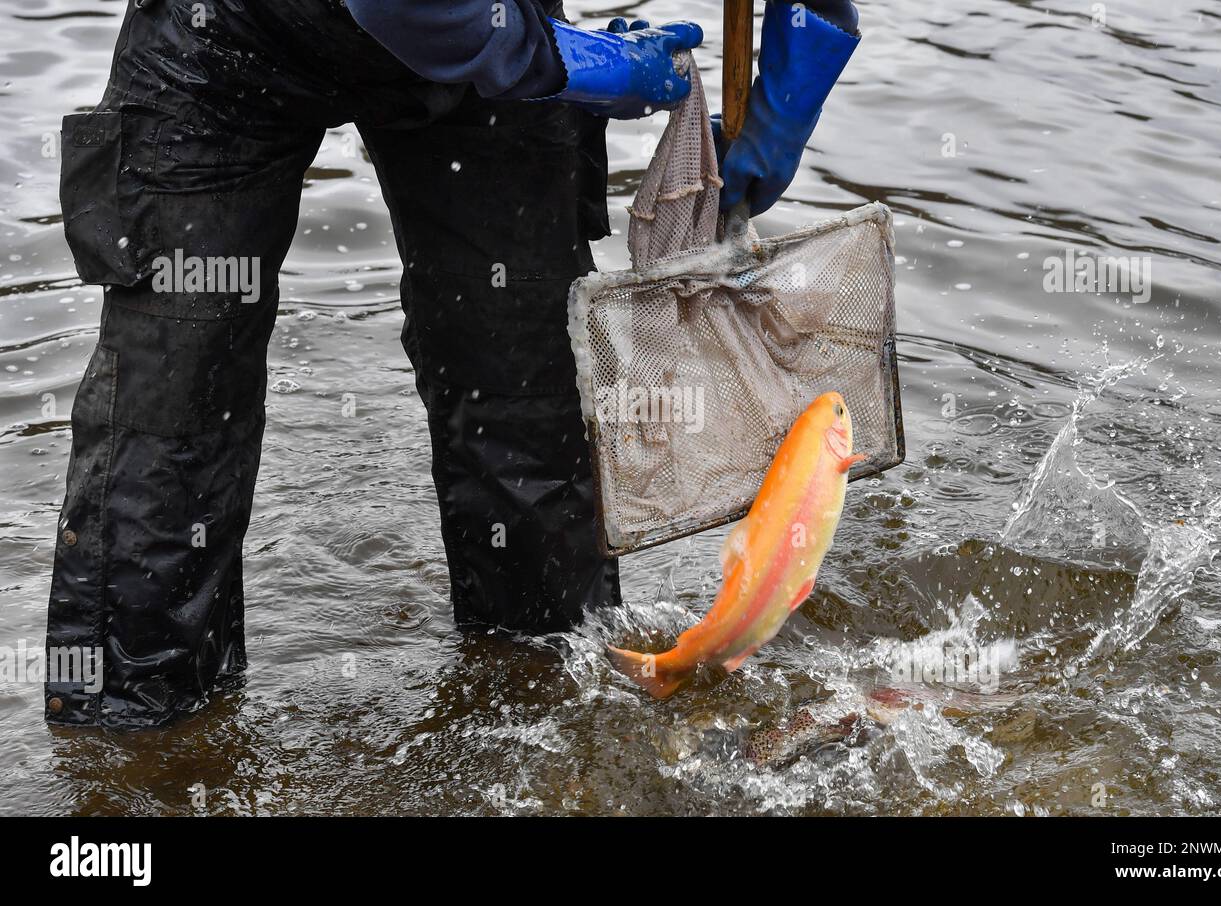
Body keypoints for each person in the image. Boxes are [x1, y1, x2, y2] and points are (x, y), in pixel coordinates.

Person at [46, 0, 860, 729]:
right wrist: (564, 61)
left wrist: (785, 103)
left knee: (526, 396)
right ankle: (135, 755)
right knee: (173, 416)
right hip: (229, 35)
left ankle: (545, 704)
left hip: (488, 42)